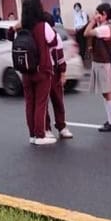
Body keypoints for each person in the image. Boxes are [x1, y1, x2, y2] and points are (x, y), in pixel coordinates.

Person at [8, 0, 58, 145]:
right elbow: (54, 41)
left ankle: (32, 135)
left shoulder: (21, 27)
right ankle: (40, 135)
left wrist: (15, 27)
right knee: (41, 103)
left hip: (26, 71)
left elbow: (9, 36)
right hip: (42, 71)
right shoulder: (43, 26)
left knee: (30, 103)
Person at [84, 3, 111, 132]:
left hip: (103, 64)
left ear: (104, 14)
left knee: (108, 93)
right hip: (100, 63)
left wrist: (92, 21)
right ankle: (110, 120)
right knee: (105, 93)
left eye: (98, 13)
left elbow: (87, 33)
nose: (95, 15)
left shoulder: (105, 28)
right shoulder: (103, 27)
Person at [44, 12, 73, 140]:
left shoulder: (55, 37)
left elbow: (60, 57)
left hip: (54, 72)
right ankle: (47, 128)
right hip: (43, 72)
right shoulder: (38, 36)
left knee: (57, 101)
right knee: (43, 102)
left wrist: (62, 73)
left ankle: (61, 126)